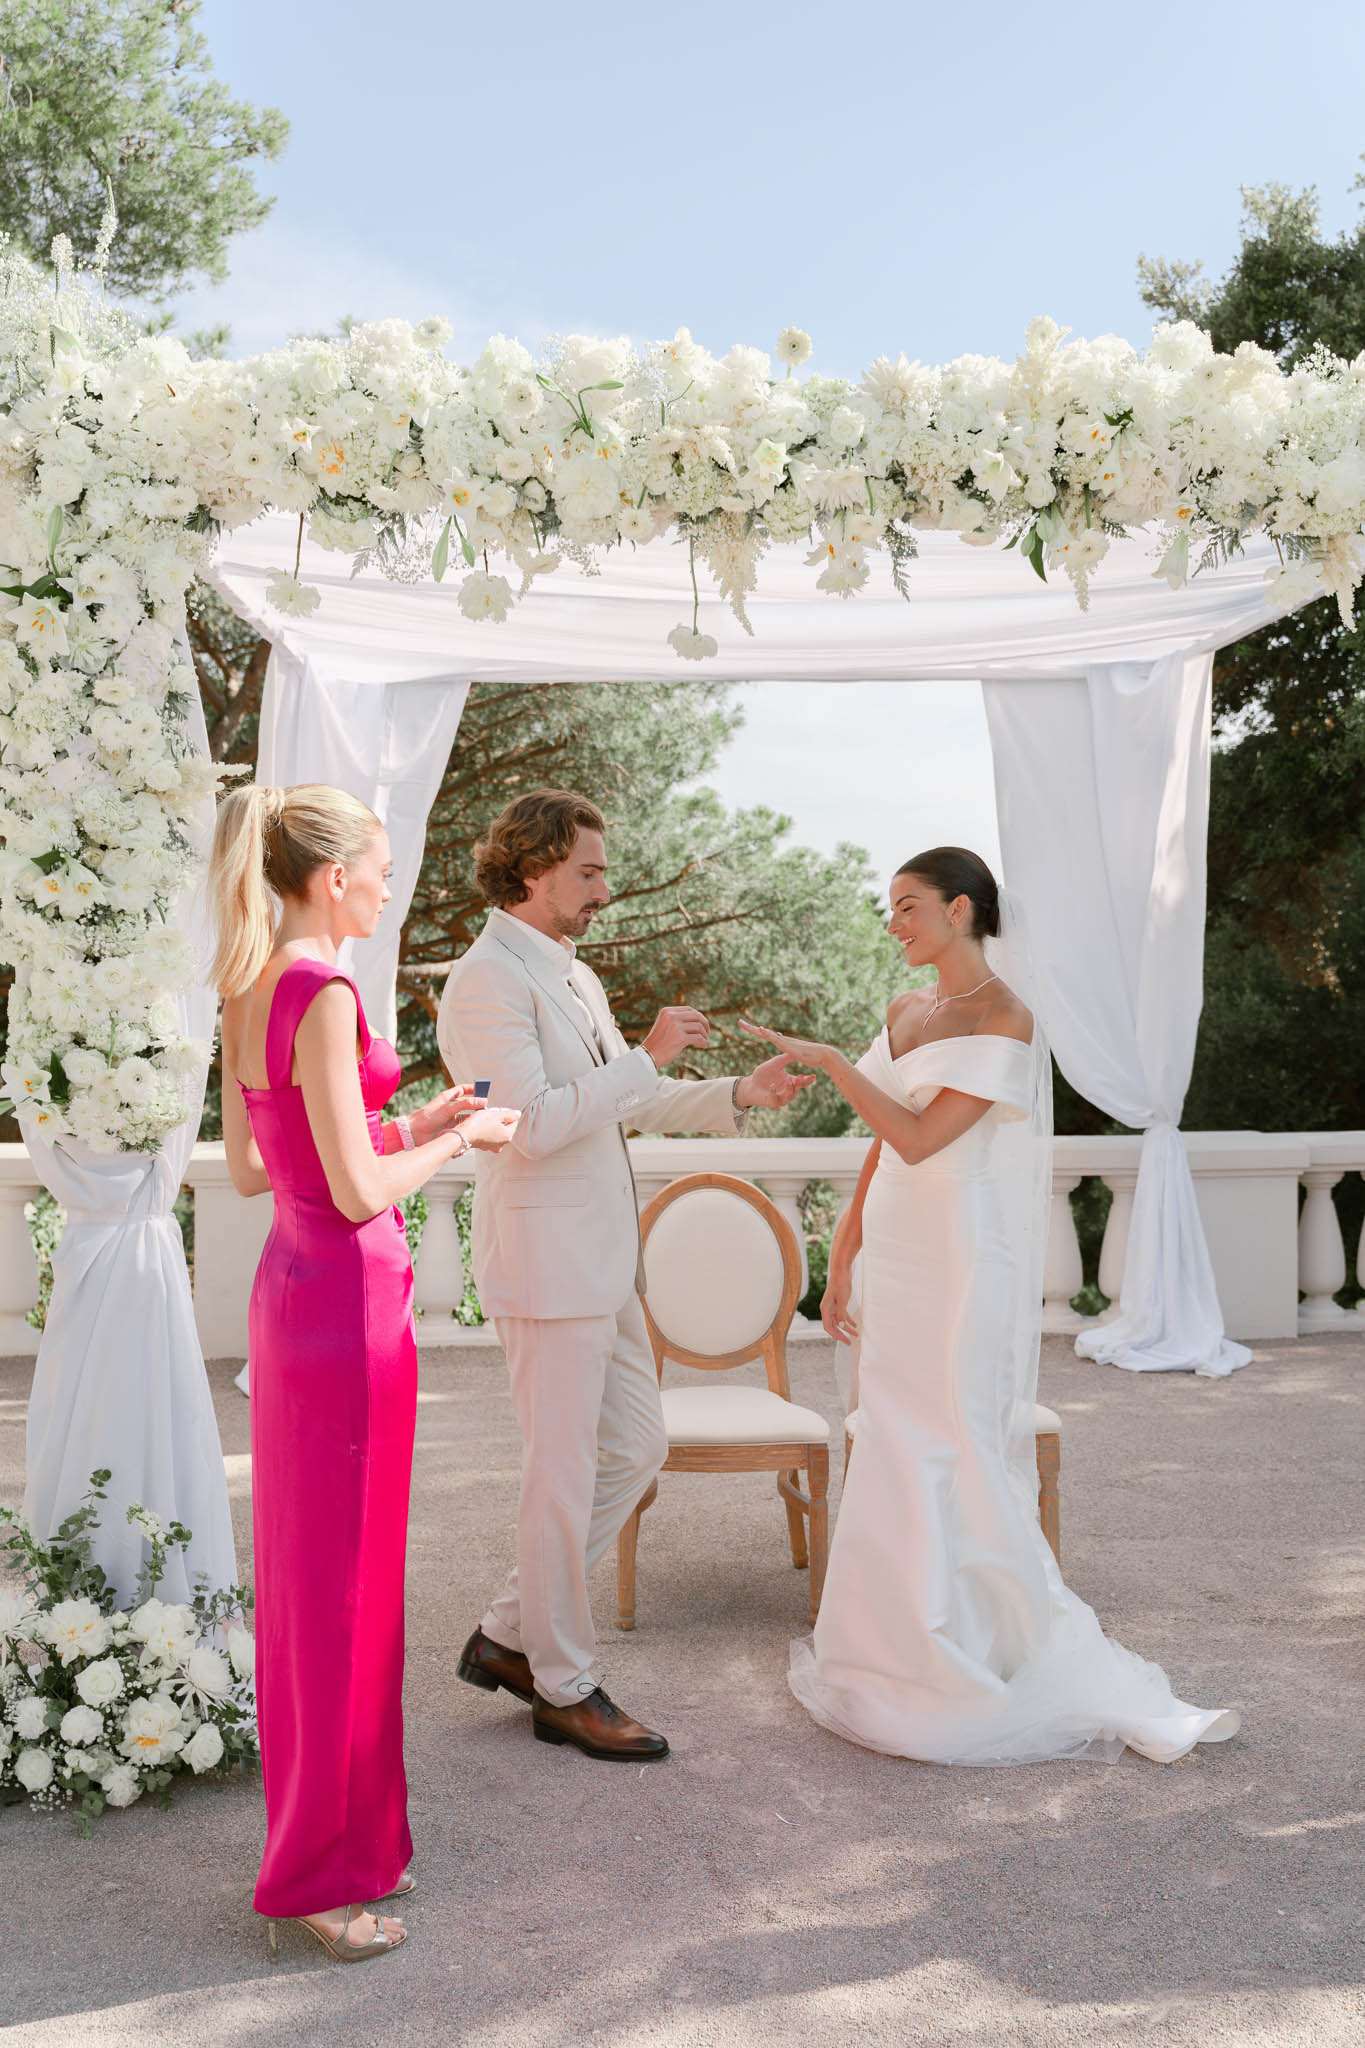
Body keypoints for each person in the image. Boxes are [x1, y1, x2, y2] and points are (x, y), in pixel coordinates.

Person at [739, 846, 1240, 1767]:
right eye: (888, 908)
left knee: (949, 1432)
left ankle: (969, 1641)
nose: (892, 923)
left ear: (961, 910)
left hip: (958, 1255)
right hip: (893, 1244)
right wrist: (841, 1252)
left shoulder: (1007, 1017)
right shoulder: (902, 1010)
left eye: (908, 906)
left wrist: (826, 1064)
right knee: (887, 1426)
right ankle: (882, 1642)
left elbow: (923, 1138)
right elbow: (879, 1150)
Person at [437, 788, 812, 1761]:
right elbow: (530, 1122)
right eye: (589, 872)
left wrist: (735, 1091)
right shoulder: (483, 982)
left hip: (607, 1267)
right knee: (558, 1479)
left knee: (635, 1449)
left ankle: (509, 1632)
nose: (606, 887)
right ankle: (562, 1682)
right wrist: (644, 1055)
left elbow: (618, 1103)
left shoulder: (577, 977)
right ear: (533, 872)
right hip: (546, 1266)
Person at [212, 783, 519, 1962]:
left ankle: (338, 1843)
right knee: (344, 1596)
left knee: (318, 1586)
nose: (390, 886)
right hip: (346, 1303)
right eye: (381, 869)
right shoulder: (324, 987)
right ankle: (327, 1879)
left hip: (296, 1298)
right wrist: (457, 1137)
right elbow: (353, 1193)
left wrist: (404, 1121)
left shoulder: (249, 981)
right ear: (332, 878)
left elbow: (261, 1166)